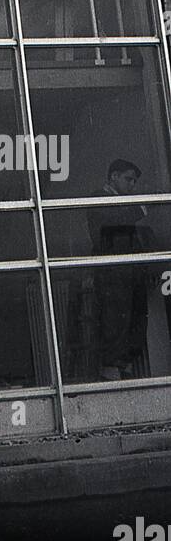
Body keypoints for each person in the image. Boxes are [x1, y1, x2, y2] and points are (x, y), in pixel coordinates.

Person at [87, 159, 155, 381]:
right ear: (113, 176)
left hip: (130, 272)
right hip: (113, 272)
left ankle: (124, 365)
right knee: (115, 319)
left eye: (134, 181)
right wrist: (139, 209)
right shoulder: (98, 199)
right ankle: (111, 369)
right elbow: (109, 223)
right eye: (128, 179)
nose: (132, 185)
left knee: (135, 320)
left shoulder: (124, 203)